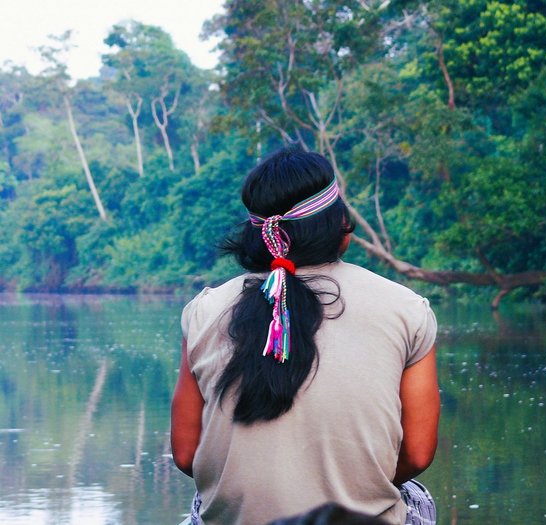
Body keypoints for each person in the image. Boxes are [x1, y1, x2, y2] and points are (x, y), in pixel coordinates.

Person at [170, 148, 440, 525]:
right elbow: (418, 452)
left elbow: (186, 454)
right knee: (415, 498)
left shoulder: (204, 311)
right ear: (340, 225)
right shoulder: (406, 309)